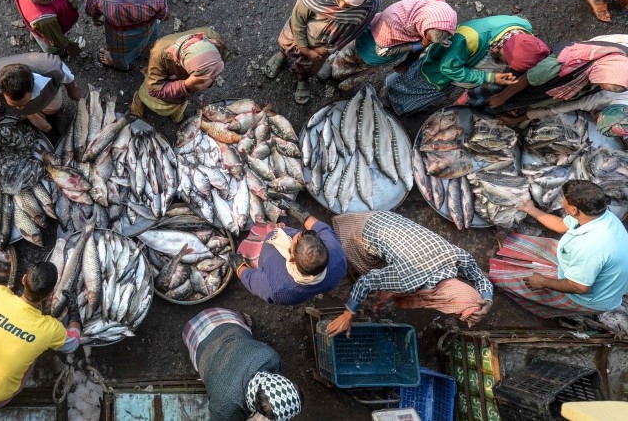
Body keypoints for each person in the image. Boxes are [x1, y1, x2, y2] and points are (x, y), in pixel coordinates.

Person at [325, 211, 494, 337]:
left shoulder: (458, 257)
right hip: (364, 230)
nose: (454, 315)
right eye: (456, 313)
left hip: (389, 218)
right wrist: (348, 313)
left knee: (393, 270)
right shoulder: (409, 280)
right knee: (365, 268)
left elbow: (479, 278)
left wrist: (487, 299)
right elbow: (366, 282)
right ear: (447, 301)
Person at [489, 181, 628, 318]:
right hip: (590, 268)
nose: (561, 201)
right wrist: (530, 209)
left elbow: (580, 287)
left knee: (525, 283)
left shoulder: (589, 247)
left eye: (563, 199)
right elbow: (561, 224)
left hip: (589, 296)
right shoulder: (601, 215)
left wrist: (543, 282)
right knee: (545, 248)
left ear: (574, 210)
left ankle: (495, 278)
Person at [0, 262, 81, 410]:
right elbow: (72, 343)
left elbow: (7, 293)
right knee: (31, 356)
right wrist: (74, 315)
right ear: (50, 294)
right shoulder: (50, 329)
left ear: (23, 279)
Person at [264, 0, 381, 104]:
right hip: (299, 31)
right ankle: (282, 55)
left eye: (349, 5)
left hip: (324, 43)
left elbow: (352, 33)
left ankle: (302, 77)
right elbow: (298, 19)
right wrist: (305, 49)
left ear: (363, 2)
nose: (342, 6)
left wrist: (327, 49)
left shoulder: (369, 7)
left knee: (309, 65)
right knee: (287, 43)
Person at [385, 15, 531, 115]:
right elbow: (448, 68)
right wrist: (490, 77)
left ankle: (396, 98)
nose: (506, 65)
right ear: (501, 48)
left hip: (459, 67)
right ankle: (392, 102)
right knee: (413, 87)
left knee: (418, 88)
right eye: (506, 60)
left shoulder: (523, 30)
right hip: (437, 73)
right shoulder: (469, 39)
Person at [182, 308, 302, 421]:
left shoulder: (270, 357)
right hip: (194, 339)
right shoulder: (225, 408)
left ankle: (242, 317)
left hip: (220, 317)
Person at [328, 0, 457, 90]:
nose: (426, 42)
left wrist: (409, 61)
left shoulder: (437, 9)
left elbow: (433, 35)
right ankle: (334, 75)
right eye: (427, 38)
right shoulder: (392, 24)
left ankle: (339, 76)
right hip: (371, 49)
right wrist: (418, 45)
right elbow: (382, 51)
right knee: (348, 62)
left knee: (359, 67)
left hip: (382, 44)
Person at [234, 201, 347, 306]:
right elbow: (320, 228)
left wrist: (237, 264)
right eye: (302, 234)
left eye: (292, 239)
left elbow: (249, 277)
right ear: (323, 243)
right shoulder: (338, 256)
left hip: (264, 258)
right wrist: (293, 208)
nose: (295, 235)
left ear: (291, 258)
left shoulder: (275, 288)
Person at [490, 35, 628, 118]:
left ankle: (515, 107)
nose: (597, 86)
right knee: (513, 96)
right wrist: (501, 97)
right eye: (599, 83)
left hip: (554, 91)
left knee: (531, 101)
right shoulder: (560, 64)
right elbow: (526, 79)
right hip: (540, 84)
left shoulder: (618, 63)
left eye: (600, 86)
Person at [130, 26, 227, 122]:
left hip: (185, 86)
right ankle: (138, 100)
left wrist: (208, 78)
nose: (207, 83)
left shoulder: (214, 40)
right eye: (202, 80)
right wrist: (187, 84)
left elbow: (220, 59)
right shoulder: (159, 54)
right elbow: (155, 90)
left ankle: (177, 116)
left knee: (180, 103)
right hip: (163, 83)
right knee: (152, 99)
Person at [0, 52, 83, 132]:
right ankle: (41, 124)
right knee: (28, 114)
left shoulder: (52, 69)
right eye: (15, 105)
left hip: (49, 97)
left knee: (53, 107)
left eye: (25, 103)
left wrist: (72, 91)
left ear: (33, 86)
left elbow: (67, 77)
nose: (20, 108)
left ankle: (54, 114)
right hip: (29, 111)